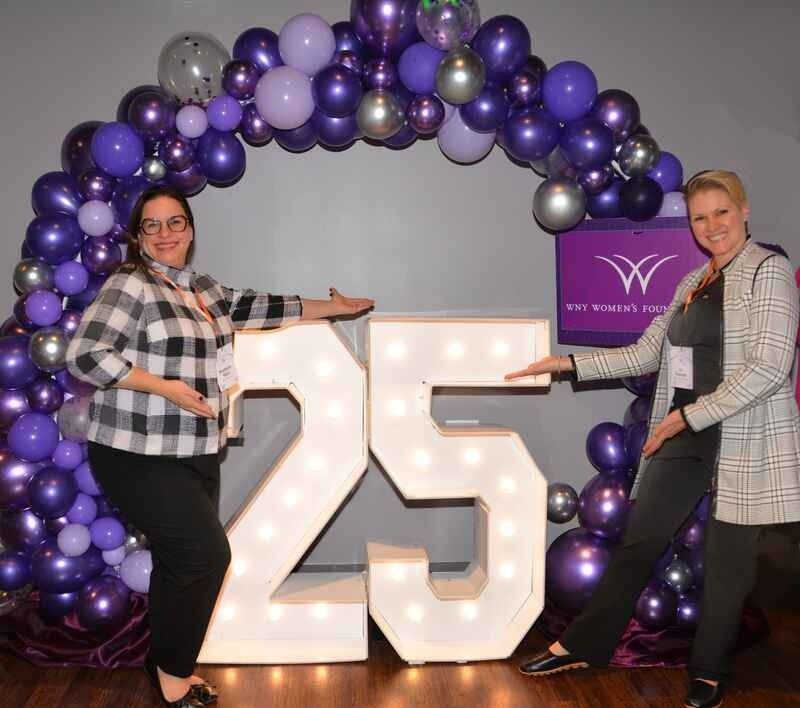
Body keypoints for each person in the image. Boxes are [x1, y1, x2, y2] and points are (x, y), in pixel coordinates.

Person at [65, 185, 374, 707]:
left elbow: (258, 306)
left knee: (176, 561)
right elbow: (84, 354)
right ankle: (174, 677)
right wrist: (161, 385)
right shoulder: (131, 285)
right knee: (206, 555)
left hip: (197, 450)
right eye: (152, 225)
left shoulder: (202, 289)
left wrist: (332, 309)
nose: (166, 234)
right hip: (136, 453)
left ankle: (161, 660)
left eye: (175, 222)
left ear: (190, 229)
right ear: (138, 238)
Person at [506, 170, 800, 708]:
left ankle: (708, 671)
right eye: (699, 217)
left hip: (740, 434)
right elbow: (646, 354)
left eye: (721, 213)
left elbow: (770, 367)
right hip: (684, 431)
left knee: (729, 563)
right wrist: (566, 364)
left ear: (744, 210)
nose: (711, 226)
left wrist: (687, 418)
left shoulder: (768, 272)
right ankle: (583, 644)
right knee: (639, 541)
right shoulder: (692, 284)